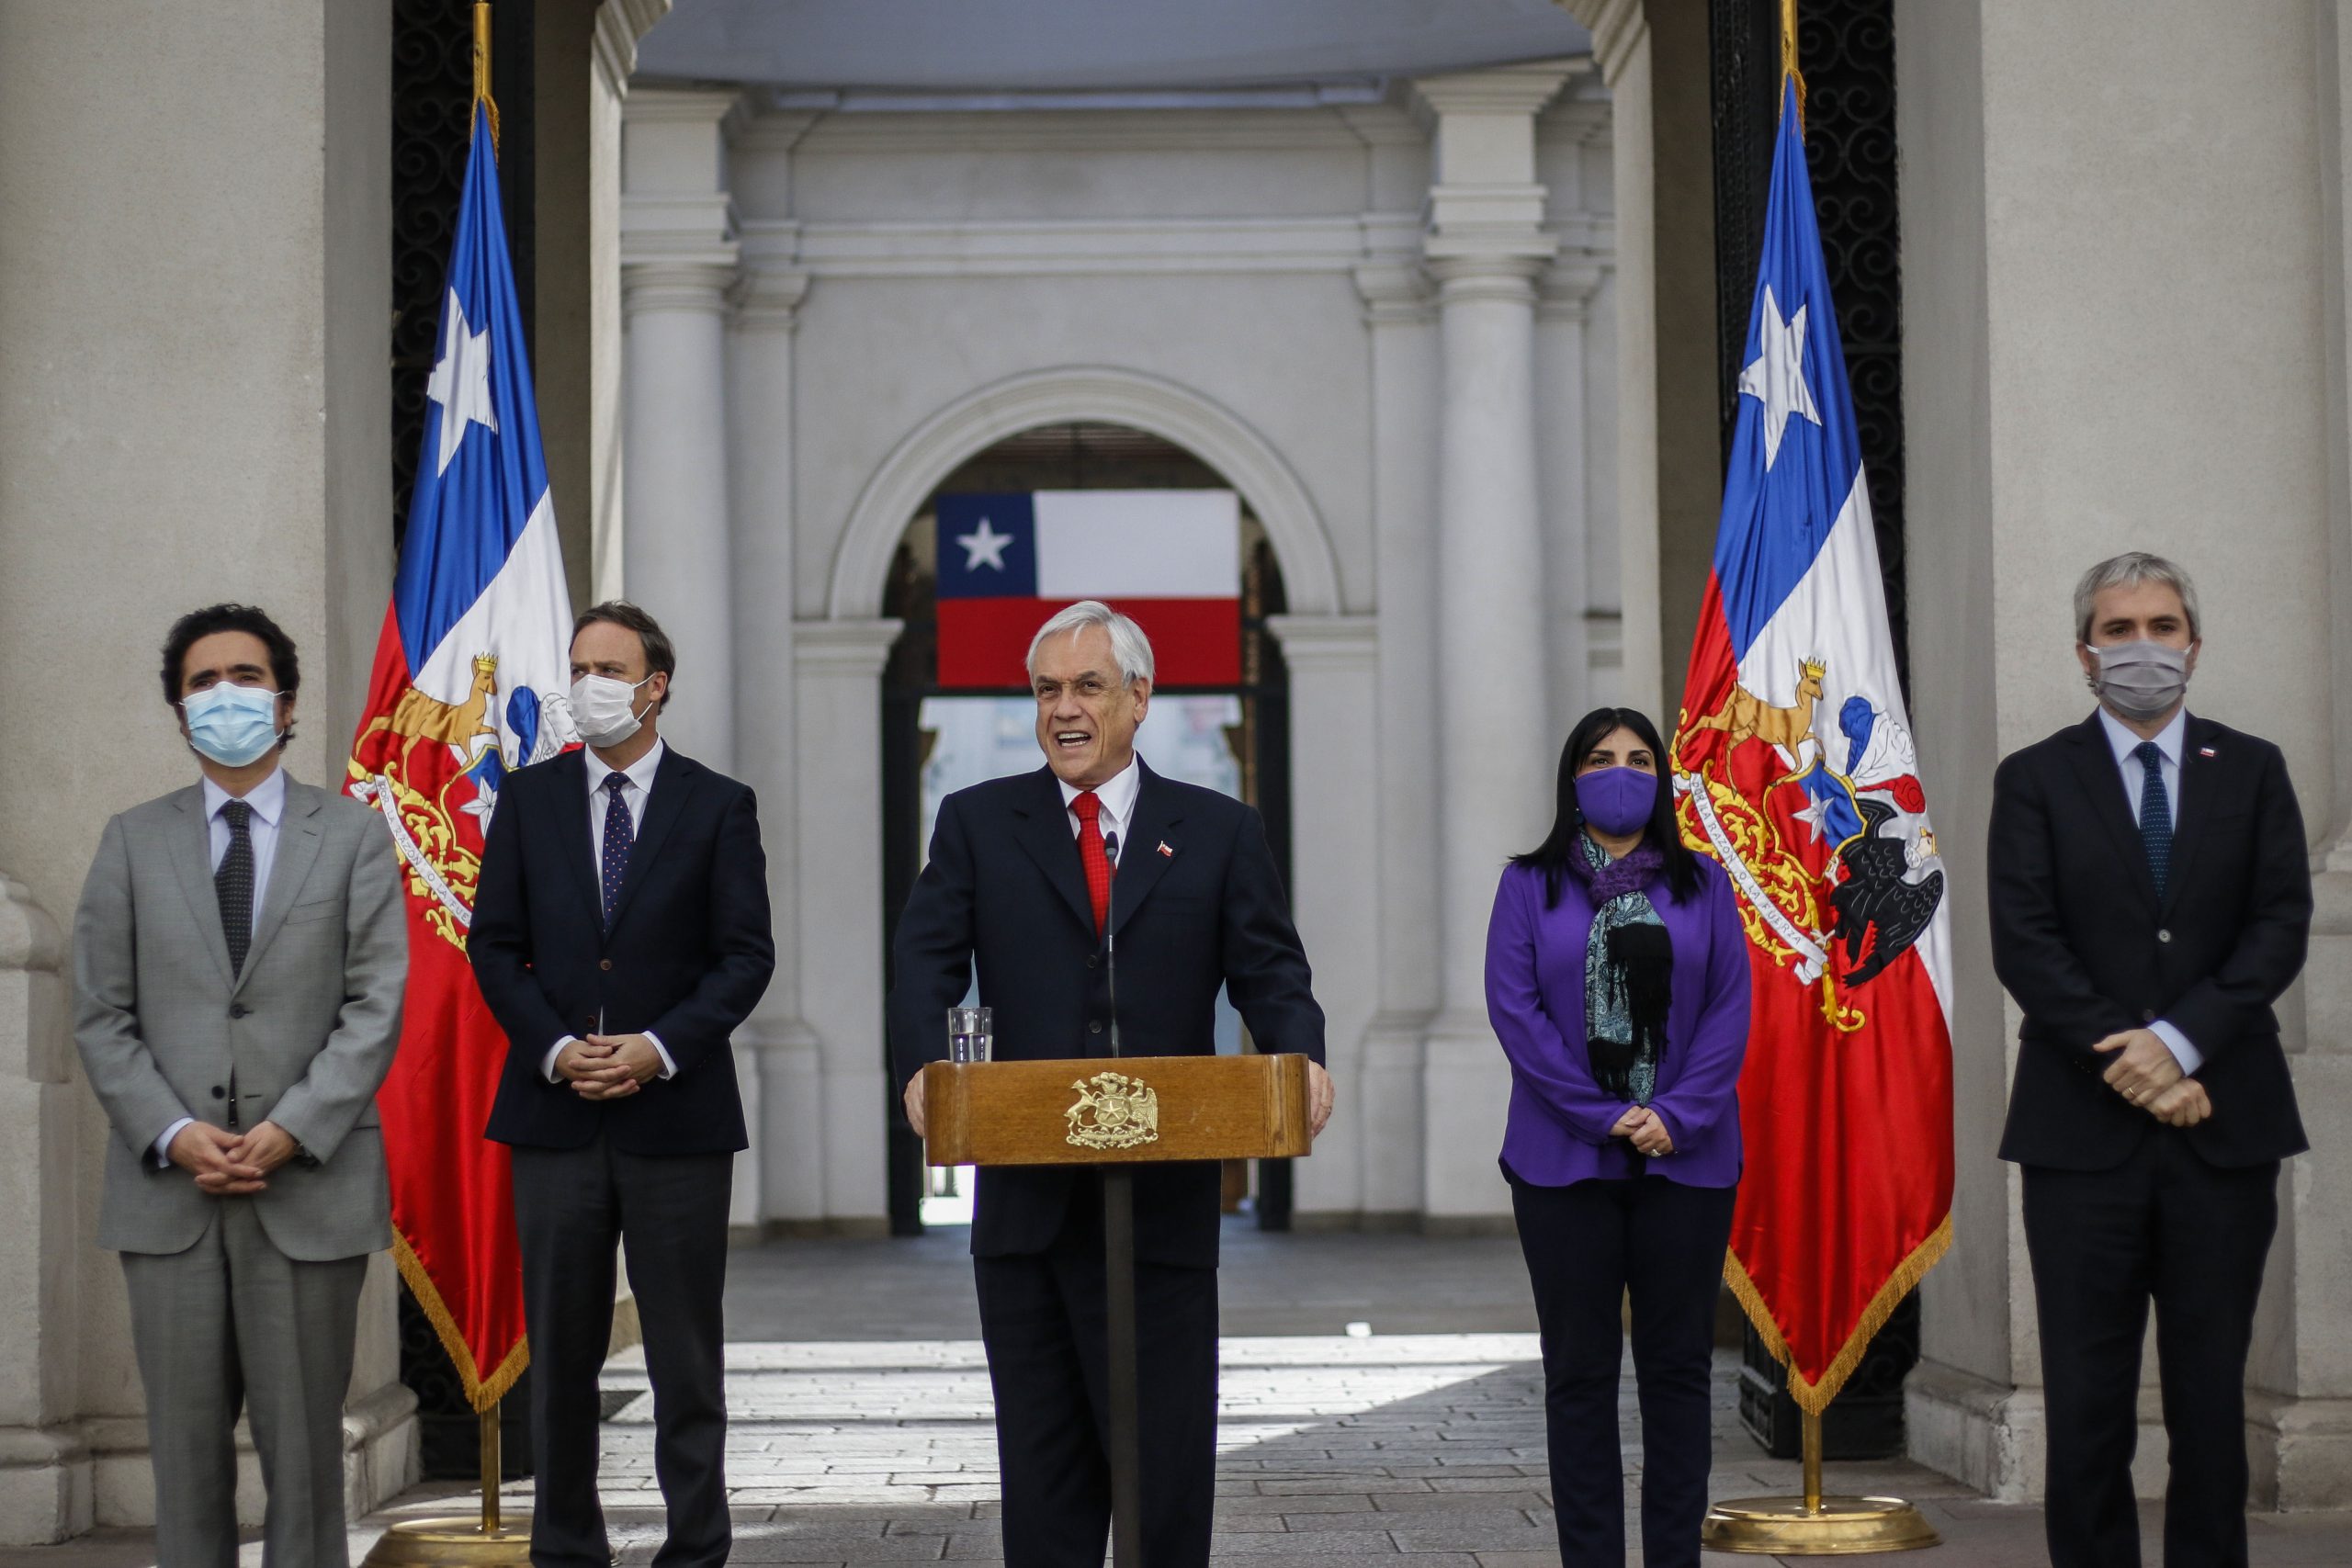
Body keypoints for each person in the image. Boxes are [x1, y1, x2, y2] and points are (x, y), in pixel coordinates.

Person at [888, 599, 1332, 1568]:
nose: (1063, 709)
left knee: (1163, 1461)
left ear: (1140, 697)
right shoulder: (976, 821)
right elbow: (924, 959)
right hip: (1027, 1210)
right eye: (1046, 689)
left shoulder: (1217, 830)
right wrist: (925, 1063)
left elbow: (1270, 971)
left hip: (1163, 1206)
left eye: (1087, 686)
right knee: (1043, 1468)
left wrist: (1301, 1056)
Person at [1989, 552, 2312, 1568]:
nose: (2141, 648)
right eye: (2117, 629)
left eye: (2161, 627)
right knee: (2086, 1405)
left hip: (2225, 1123)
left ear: (2194, 645)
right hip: (2077, 1138)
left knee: (2210, 1400)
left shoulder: (2252, 768)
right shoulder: (2035, 777)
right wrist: (2128, 1062)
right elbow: (2025, 940)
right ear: (2083, 652)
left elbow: (2277, 925)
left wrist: (2174, 1047)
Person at [73, 604, 408, 1568]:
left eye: (247, 678)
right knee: (183, 1460)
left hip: (308, 1184)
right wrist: (173, 1131)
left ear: (287, 701)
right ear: (179, 712)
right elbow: (100, 1010)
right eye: (204, 682)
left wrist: (293, 1127)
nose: (227, 696)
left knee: (307, 1461)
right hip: (167, 1190)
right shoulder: (132, 840)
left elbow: (375, 1004)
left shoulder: (351, 837)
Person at [470, 601, 775, 1568]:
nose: (586, 684)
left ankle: (695, 1548)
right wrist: (558, 1049)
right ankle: (566, 1548)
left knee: (685, 1356)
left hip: (676, 1119)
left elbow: (743, 958)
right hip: (554, 1115)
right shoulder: (529, 799)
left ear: (657, 685)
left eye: (609, 667)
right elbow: (496, 948)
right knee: (560, 1356)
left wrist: (658, 1045)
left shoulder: (718, 804)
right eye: (578, 666)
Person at [1484, 705, 1749, 1568]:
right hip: (1563, 1164)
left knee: (1678, 1373)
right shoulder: (1529, 884)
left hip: (1689, 1157)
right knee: (1580, 1376)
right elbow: (1516, 1013)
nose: (1622, 772)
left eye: (1640, 758)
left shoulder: (1705, 884)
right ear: (1573, 778)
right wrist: (1605, 1116)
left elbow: (1729, 1013)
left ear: (1662, 778)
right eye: (1602, 759)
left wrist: (1675, 1114)